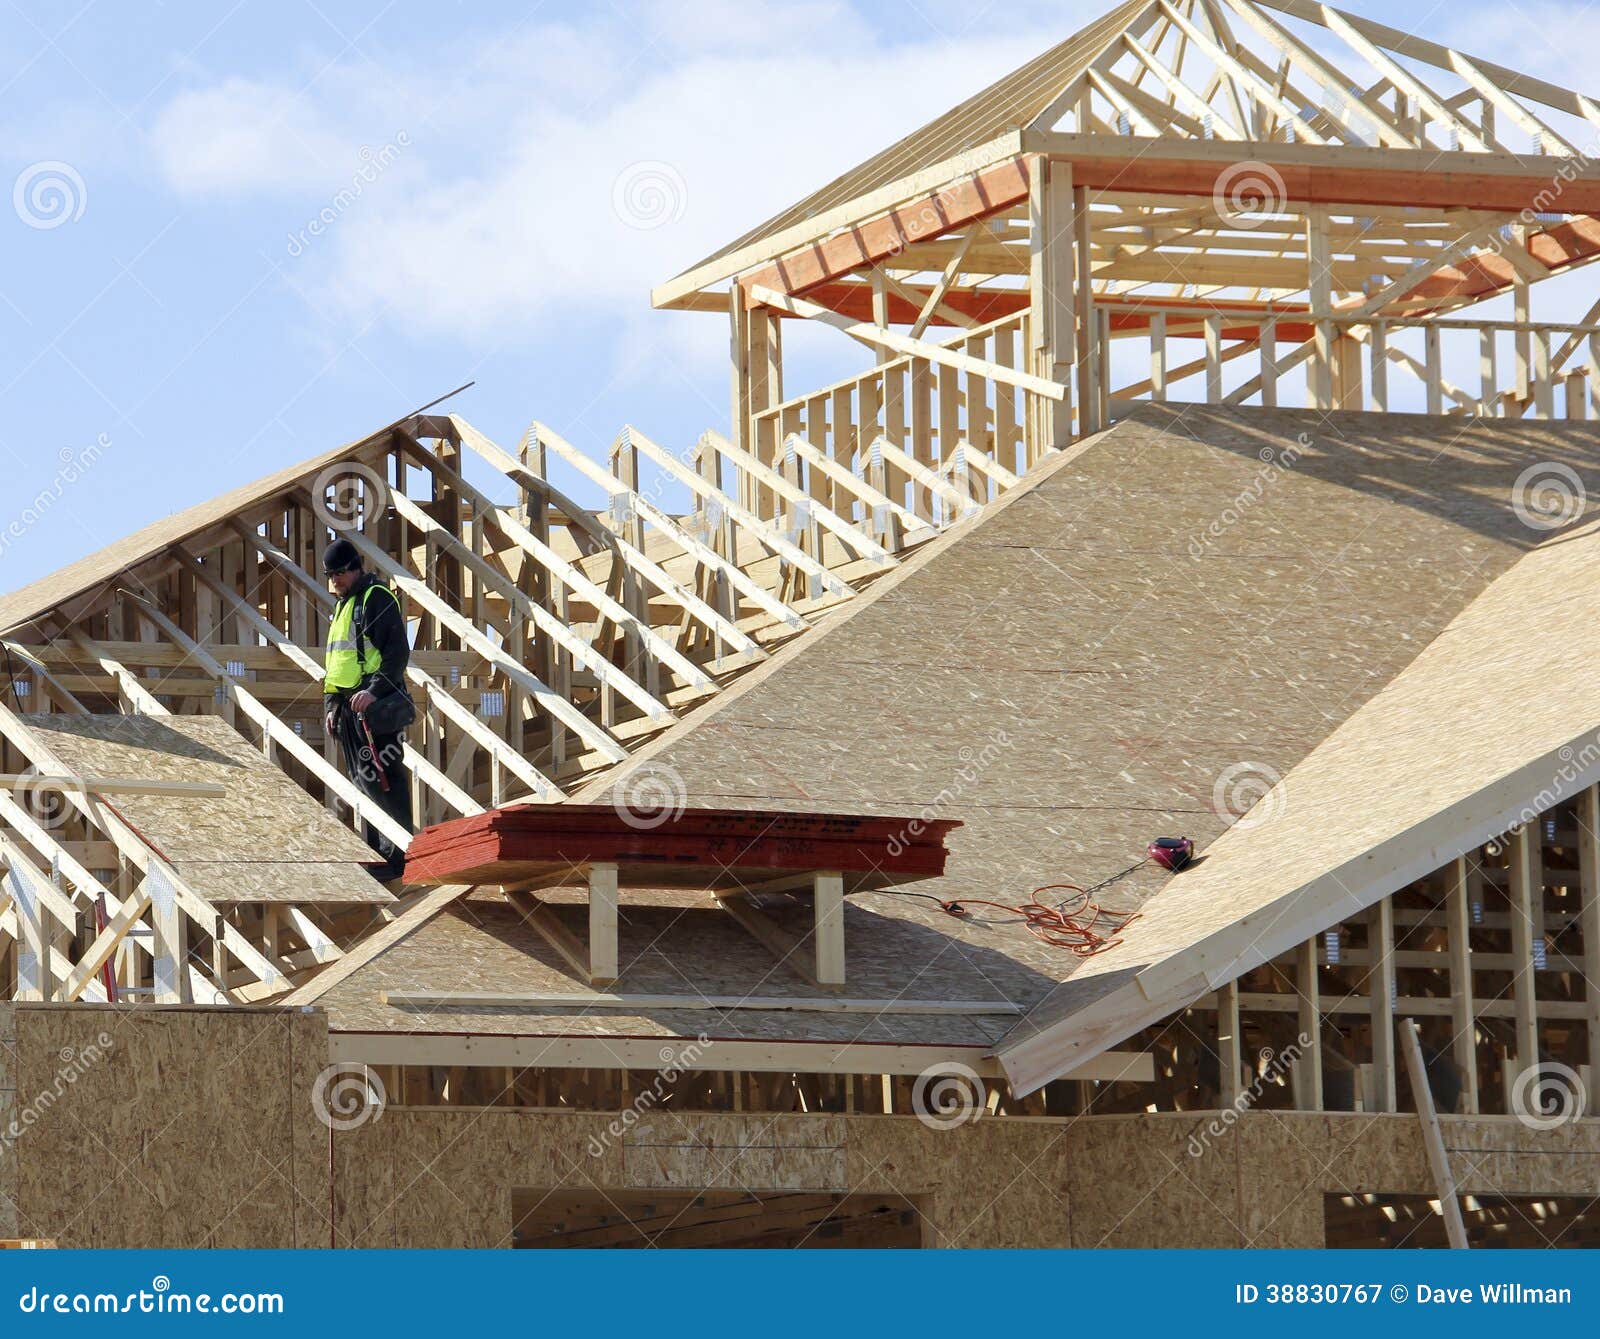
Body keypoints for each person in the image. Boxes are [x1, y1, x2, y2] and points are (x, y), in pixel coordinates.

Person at [321, 538, 413, 883]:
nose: (335, 580)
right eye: (330, 575)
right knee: (363, 782)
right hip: (349, 709)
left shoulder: (376, 598)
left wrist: (373, 692)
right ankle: (377, 854)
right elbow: (336, 664)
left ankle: (398, 856)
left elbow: (397, 654)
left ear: (356, 568)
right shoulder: (343, 606)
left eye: (340, 573)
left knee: (384, 779)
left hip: (374, 708)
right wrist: (332, 705)